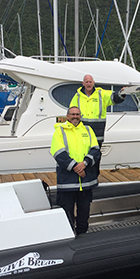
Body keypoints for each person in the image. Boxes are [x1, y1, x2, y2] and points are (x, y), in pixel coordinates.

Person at [50, 106, 100, 234]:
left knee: (84, 212)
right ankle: (69, 237)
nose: (75, 117)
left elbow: (95, 149)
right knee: (67, 213)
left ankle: (83, 237)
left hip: (85, 181)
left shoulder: (88, 130)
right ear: (67, 116)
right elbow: (57, 152)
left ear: (80, 116)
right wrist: (76, 167)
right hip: (68, 181)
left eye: (77, 114)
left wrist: (85, 163)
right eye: (72, 114)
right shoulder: (60, 131)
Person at [69, 74, 125, 148]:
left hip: (98, 132)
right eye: (86, 82)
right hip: (82, 132)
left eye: (90, 82)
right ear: (83, 83)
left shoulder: (101, 94)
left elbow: (114, 97)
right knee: (83, 154)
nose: (88, 84)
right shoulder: (77, 96)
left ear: (93, 83)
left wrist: (122, 92)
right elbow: (71, 114)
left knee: (96, 154)